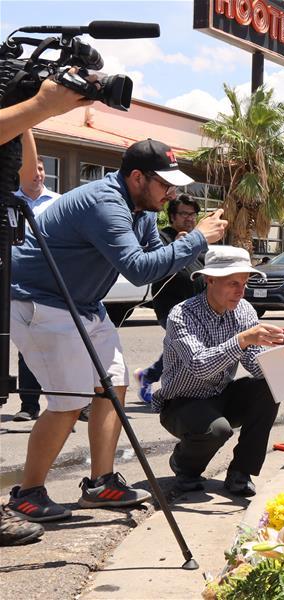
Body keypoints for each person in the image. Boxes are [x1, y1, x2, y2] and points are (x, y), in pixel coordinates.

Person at [7, 138, 228, 523]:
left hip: (83, 304)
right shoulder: (104, 203)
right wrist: (196, 239)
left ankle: (100, 483)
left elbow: (150, 258)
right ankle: (27, 494)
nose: (172, 194)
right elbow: (139, 268)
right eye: (165, 184)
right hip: (40, 301)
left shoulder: (139, 206)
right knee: (68, 401)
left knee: (113, 382)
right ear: (138, 177)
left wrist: (185, 244)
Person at [0, 74, 91, 547]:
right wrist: (38, 103)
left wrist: (28, 110)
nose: (37, 174)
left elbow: (30, 177)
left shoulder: (22, 191)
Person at [152, 246, 284, 496]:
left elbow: (256, 364)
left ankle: (241, 472)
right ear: (209, 279)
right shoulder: (182, 314)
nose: (240, 291)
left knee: (268, 388)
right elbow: (199, 366)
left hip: (220, 396)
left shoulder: (244, 311)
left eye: (243, 283)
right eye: (233, 283)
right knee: (217, 431)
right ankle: (184, 464)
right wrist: (241, 340)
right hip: (180, 403)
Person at [133, 195, 206, 404]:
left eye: (193, 214)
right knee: (186, 346)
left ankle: (149, 376)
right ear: (172, 216)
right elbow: (158, 265)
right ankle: (173, 392)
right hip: (172, 307)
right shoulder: (162, 237)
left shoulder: (199, 240)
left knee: (181, 347)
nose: (189, 218)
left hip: (197, 305)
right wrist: (176, 246)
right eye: (184, 214)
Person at [11, 130, 60, 422]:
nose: (39, 173)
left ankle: (70, 403)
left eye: (42, 168)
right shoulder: (9, 202)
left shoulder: (58, 201)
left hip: (53, 280)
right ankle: (29, 406)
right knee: (28, 344)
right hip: (18, 282)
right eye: (34, 168)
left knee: (59, 342)